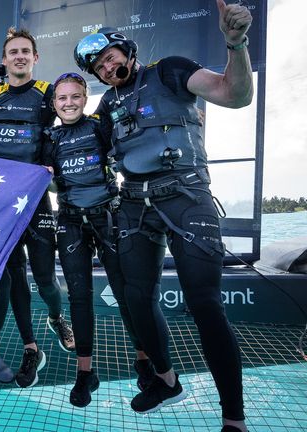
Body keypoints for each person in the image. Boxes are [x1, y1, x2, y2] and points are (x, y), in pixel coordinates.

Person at [73, 1, 253, 430]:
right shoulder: (104, 110)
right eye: (97, 66)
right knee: (136, 300)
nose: (105, 66)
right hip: (134, 205)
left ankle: (234, 419)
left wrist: (236, 44)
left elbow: (236, 94)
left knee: (204, 303)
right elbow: (79, 157)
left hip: (186, 196)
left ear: (126, 50)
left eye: (109, 56)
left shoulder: (170, 70)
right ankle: (166, 381)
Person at [42, 72, 155, 407]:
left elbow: (133, 143)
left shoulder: (99, 126)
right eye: (62, 98)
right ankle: (85, 374)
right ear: (54, 104)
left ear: (85, 97)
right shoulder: (50, 137)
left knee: (124, 291)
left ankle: (144, 361)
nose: (69, 103)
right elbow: (45, 181)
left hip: (109, 216)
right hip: (70, 221)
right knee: (79, 298)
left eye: (75, 96)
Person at [0, 27, 74, 389]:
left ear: (35, 58)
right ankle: (31, 349)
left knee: (46, 277)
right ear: (4, 60)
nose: (19, 56)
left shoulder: (48, 94)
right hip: (2, 206)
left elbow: (72, 122)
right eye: (13, 52)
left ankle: (56, 316)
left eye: (25, 51)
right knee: (15, 276)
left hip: (37, 201)